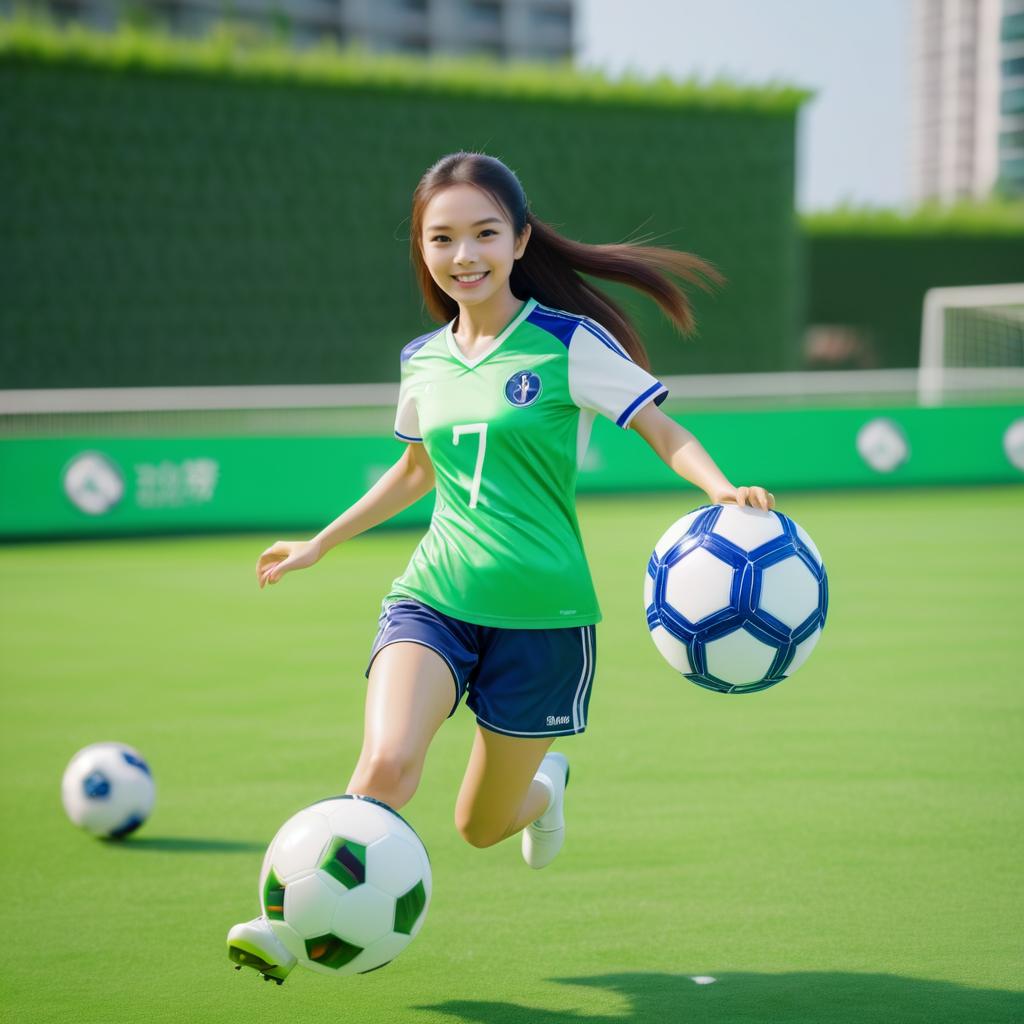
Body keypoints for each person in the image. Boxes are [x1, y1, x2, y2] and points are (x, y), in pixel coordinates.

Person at [227, 151, 775, 983]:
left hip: (545, 625)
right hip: (433, 599)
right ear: (423, 250)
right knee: (383, 767)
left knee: (480, 827)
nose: (464, 256)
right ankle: (290, 928)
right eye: (442, 239)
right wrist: (320, 543)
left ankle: (544, 790)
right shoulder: (423, 359)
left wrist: (721, 489)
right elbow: (416, 472)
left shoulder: (567, 343)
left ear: (519, 241)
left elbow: (664, 429)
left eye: (484, 234)